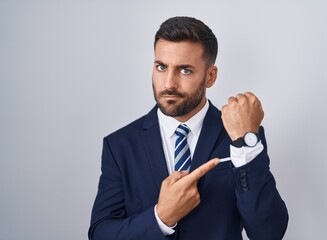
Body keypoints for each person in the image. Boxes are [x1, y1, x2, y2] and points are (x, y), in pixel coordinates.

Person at [89, 16, 288, 240]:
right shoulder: (120, 145)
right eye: (161, 67)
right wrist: (161, 218)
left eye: (185, 70)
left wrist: (246, 145)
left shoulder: (240, 135)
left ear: (210, 76)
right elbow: (101, 234)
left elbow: (268, 234)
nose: (169, 84)